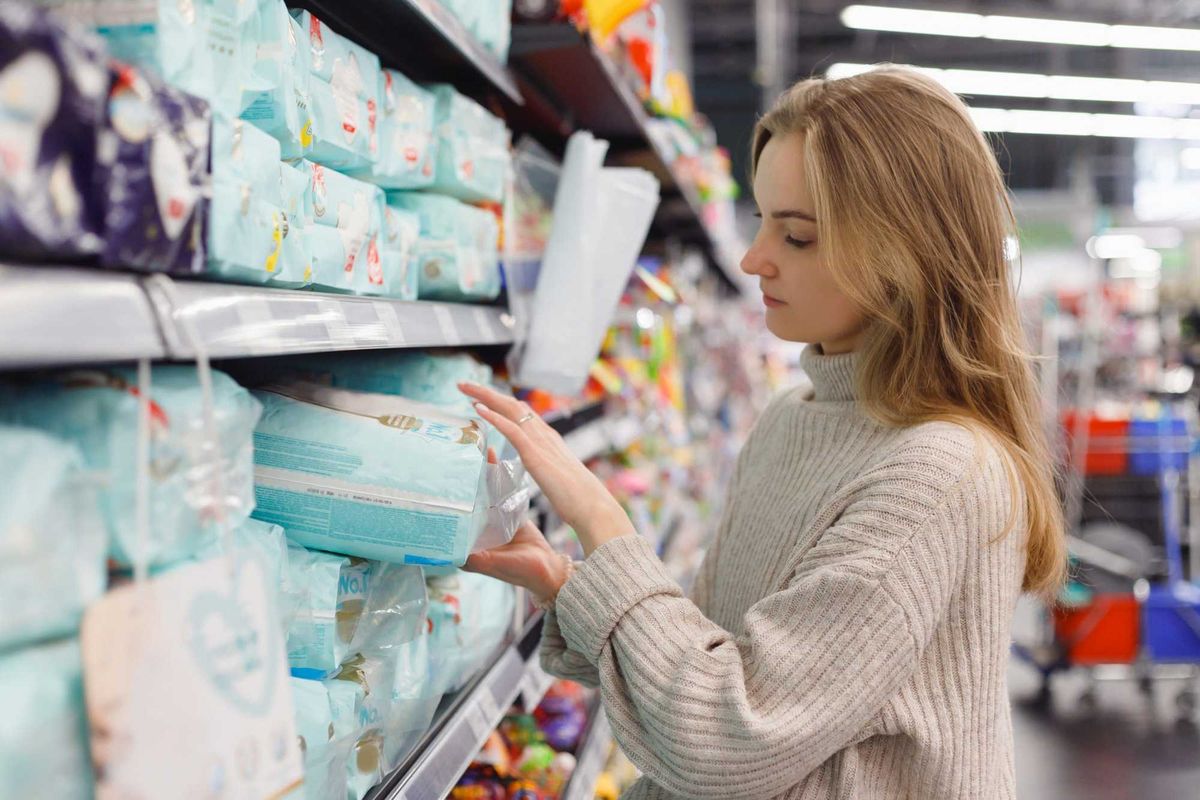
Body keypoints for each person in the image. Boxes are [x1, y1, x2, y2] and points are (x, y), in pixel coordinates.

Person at [459, 66, 1066, 799]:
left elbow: (726, 737)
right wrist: (566, 583)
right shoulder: (792, 416)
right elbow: (718, 655)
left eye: (798, 236)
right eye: (762, 221)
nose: (754, 260)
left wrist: (601, 522)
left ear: (906, 253)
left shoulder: (937, 475)